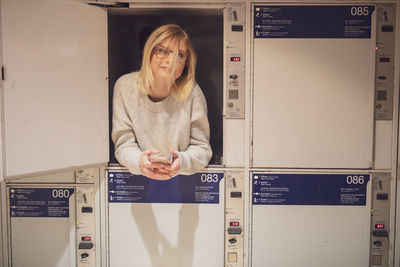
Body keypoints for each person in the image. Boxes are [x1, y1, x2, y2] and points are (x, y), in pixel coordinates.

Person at [112, 24, 212, 180]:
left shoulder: (192, 91)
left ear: (186, 62)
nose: (171, 61)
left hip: (183, 179)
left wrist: (182, 162)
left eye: (180, 55)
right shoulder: (125, 87)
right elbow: (123, 143)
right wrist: (139, 161)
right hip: (138, 177)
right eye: (163, 51)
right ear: (149, 52)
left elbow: (202, 148)